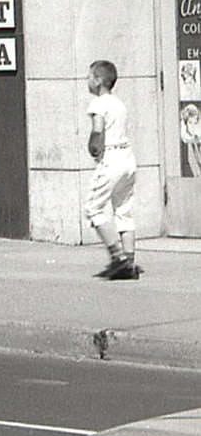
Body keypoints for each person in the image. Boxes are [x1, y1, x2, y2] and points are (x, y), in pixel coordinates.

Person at [86, 57, 138, 279]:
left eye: (89, 77)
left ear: (98, 80)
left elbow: (98, 130)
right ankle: (130, 260)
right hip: (128, 157)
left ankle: (118, 257)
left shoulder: (98, 103)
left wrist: (94, 147)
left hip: (112, 159)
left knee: (93, 208)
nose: (87, 81)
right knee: (124, 210)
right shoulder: (119, 103)